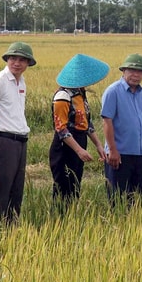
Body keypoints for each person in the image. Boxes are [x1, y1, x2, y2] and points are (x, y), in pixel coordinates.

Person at [0, 41, 36, 224]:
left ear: (28, 63)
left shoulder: (22, 83)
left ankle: (11, 227)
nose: (17, 63)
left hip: (20, 140)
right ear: (7, 59)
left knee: (16, 188)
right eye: (13, 58)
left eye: (22, 60)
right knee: (2, 188)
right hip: (3, 140)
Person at [49, 54, 109, 207]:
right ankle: (59, 220)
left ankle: (71, 218)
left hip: (80, 140)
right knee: (63, 186)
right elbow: (61, 129)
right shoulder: (63, 96)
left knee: (75, 185)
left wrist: (98, 145)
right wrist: (79, 150)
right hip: (66, 146)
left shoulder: (80, 94)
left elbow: (86, 122)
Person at [102, 53, 142, 207]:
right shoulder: (113, 91)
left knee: (136, 197)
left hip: (140, 153)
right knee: (117, 198)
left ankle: (134, 228)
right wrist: (112, 150)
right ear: (123, 71)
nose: (135, 75)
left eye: (140, 72)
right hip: (119, 153)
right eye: (132, 70)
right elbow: (107, 121)